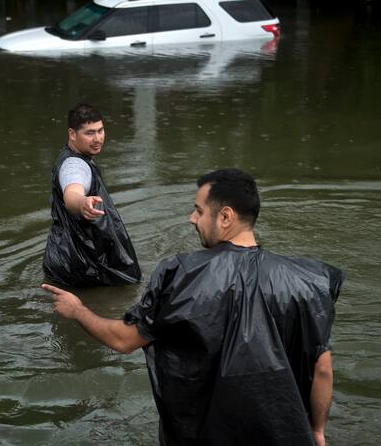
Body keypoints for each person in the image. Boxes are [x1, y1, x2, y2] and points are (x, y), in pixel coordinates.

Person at [42, 168, 343, 446]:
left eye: (199, 210)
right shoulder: (307, 282)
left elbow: (124, 340)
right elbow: (323, 369)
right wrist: (316, 431)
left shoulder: (182, 274)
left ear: (225, 217)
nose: (191, 218)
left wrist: (78, 310)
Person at [42, 103, 141, 286]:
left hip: (62, 257)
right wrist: (82, 203)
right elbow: (72, 192)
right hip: (81, 266)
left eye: (100, 130)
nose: (98, 138)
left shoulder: (70, 157)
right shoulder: (74, 165)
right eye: (89, 133)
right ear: (72, 134)